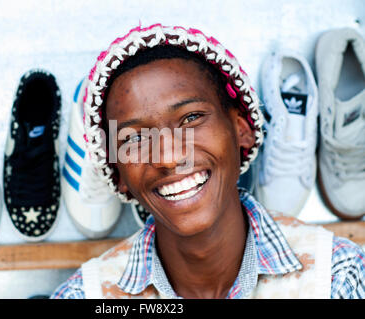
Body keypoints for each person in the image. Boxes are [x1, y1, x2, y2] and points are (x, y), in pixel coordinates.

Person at [52, 24, 364, 299]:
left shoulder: (337, 278)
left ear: (242, 130)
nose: (169, 158)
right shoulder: (84, 295)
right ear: (117, 173)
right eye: (133, 139)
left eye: (191, 118)